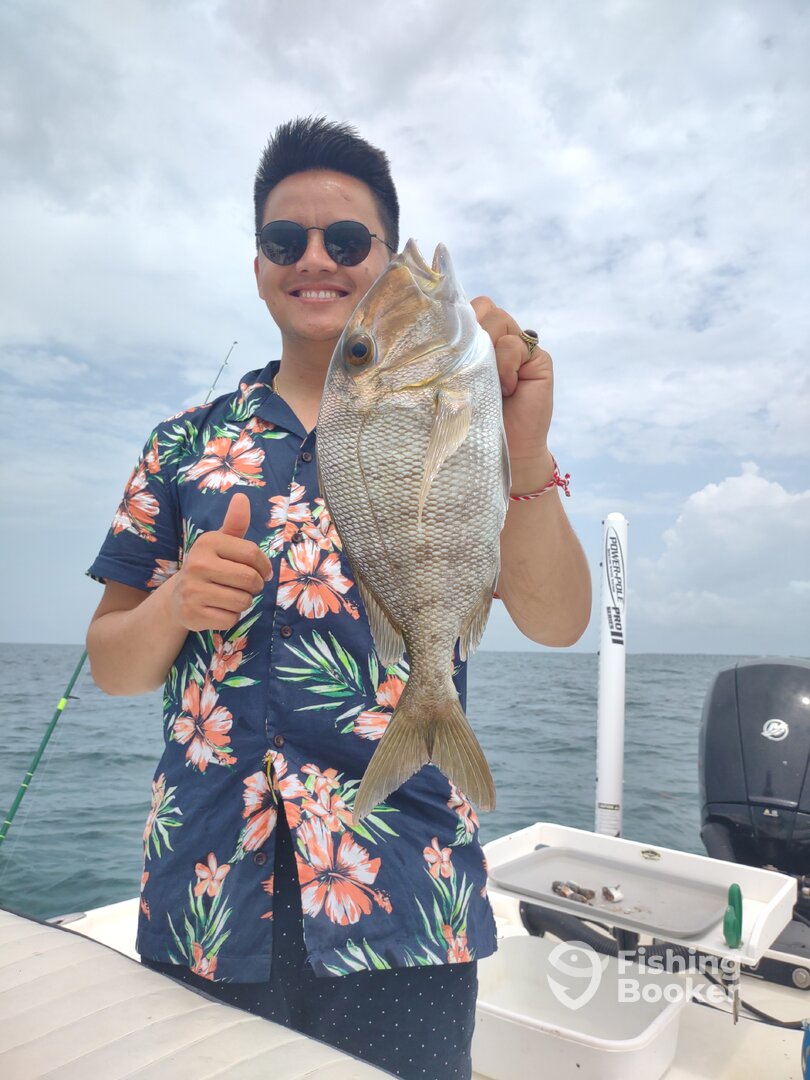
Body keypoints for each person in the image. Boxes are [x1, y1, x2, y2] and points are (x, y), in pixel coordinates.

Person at [86, 116, 591, 1079]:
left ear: (385, 261)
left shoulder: (462, 411)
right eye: (287, 240)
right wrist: (174, 604)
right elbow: (112, 663)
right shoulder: (184, 443)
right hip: (206, 892)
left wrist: (524, 448)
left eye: (348, 239)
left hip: (404, 891)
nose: (316, 259)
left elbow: (559, 622)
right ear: (259, 266)